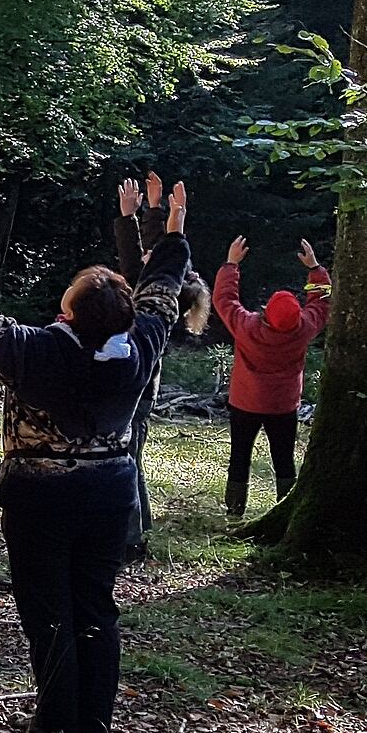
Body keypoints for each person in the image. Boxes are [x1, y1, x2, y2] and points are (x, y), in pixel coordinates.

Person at [0, 183, 194, 733]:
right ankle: (93, 723)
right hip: (109, 491)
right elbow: (164, 294)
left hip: (39, 496)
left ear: (68, 313)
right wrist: (172, 234)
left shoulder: (37, 350)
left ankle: (56, 721)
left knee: (48, 604)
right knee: (95, 601)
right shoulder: (140, 344)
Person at [112, 173, 210, 555]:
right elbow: (148, 263)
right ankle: (139, 528)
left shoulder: (157, 303)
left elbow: (141, 265)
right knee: (130, 456)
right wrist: (149, 213)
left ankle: (132, 539)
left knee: (128, 459)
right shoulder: (162, 295)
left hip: (138, 391)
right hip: (139, 388)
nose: (148, 258)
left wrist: (151, 221)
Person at [213, 235, 331, 518]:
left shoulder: (247, 327)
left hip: (245, 404)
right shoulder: (303, 328)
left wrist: (231, 264)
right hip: (283, 406)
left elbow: (224, 299)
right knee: (284, 460)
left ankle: (234, 512)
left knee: (239, 457)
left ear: (265, 311)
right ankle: (284, 512)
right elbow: (322, 302)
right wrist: (315, 268)